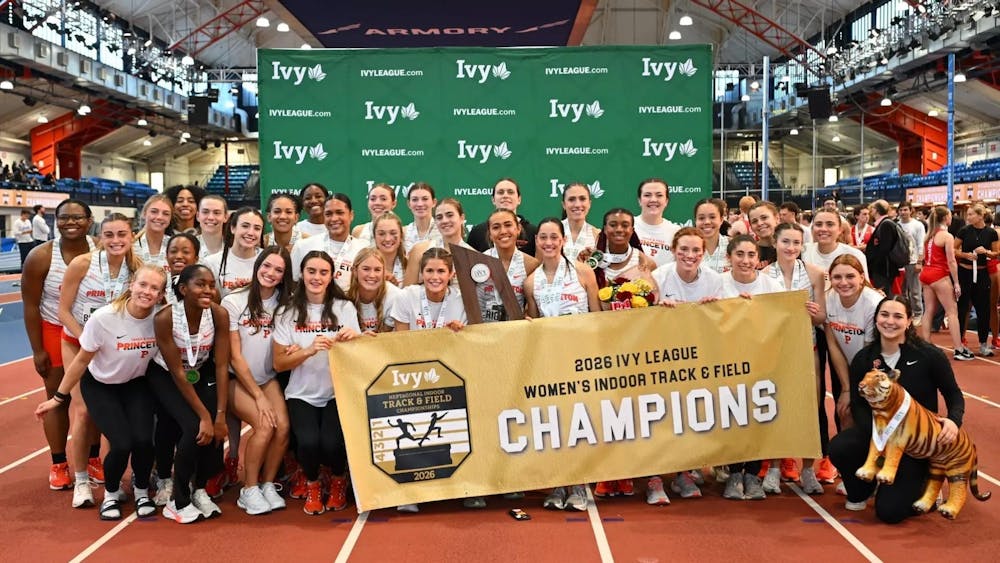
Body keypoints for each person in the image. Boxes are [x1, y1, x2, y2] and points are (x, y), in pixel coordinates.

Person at [35, 266, 167, 520]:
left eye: (154, 288)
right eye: (142, 285)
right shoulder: (105, 318)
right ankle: (111, 494)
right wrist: (58, 398)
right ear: (131, 284)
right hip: (101, 385)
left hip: (136, 385)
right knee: (121, 443)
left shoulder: (160, 318)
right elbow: (81, 361)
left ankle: (141, 491)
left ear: (161, 295)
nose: (147, 292)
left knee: (144, 441)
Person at [829, 296, 965, 524]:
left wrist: (953, 421)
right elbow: (859, 405)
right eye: (884, 315)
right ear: (876, 319)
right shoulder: (864, 359)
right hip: (878, 437)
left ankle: (926, 485)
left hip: (914, 445)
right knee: (840, 446)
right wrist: (879, 437)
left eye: (898, 316)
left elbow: (954, 394)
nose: (890, 321)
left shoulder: (929, 355)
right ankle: (863, 489)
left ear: (909, 321)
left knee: (889, 512)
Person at [59, 213, 142, 509]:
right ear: (99, 237)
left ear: (131, 236)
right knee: (83, 413)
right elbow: (63, 310)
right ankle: (81, 480)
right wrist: (87, 339)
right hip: (78, 343)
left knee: (113, 416)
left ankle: (112, 480)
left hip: (114, 349)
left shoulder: (137, 268)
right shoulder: (82, 264)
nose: (116, 240)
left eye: (122, 234)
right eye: (109, 235)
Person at [272, 251, 362, 515]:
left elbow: (358, 354)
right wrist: (308, 350)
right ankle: (312, 483)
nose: (317, 277)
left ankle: (338, 480)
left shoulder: (344, 308)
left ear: (332, 276)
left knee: (332, 443)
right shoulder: (287, 312)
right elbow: (279, 363)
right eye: (311, 271)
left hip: (337, 391)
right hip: (301, 393)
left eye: (323, 272)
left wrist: (354, 338)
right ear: (301, 274)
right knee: (309, 443)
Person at [524, 218, 601, 511]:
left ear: (563, 240)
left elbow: (597, 315)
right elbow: (533, 321)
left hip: (581, 358)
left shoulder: (583, 272)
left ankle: (579, 483)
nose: (548, 242)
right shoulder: (530, 282)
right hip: (550, 359)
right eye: (543, 237)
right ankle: (558, 483)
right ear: (537, 241)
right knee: (554, 421)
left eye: (553, 237)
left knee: (579, 420)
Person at [22, 199, 96, 492]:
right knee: (57, 398)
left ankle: (93, 458)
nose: (71, 223)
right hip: (54, 330)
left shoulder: (101, 250)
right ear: (56, 221)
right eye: (64, 217)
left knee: (94, 397)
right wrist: (37, 349)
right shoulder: (41, 257)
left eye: (78, 217)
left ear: (89, 221)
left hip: (92, 332)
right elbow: (30, 306)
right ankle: (59, 463)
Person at [149, 264, 230, 524]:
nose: (208, 290)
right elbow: (177, 372)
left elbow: (221, 365)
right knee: (195, 427)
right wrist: (204, 416)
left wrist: (219, 415)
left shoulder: (218, 314)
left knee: (215, 429)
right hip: (167, 376)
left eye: (211, 285)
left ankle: (200, 489)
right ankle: (178, 501)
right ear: (183, 289)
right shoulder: (165, 318)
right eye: (200, 285)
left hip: (199, 371)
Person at [651, 227, 725, 502]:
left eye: (696, 250)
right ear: (673, 250)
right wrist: (658, 307)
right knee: (659, 418)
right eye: (683, 249)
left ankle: (683, 474)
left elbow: (727, 318)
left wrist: (715, 308)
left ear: (704, 253)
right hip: (662, 358)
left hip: (697, 359)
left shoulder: (714, 280)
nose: (689, 255)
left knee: (687, 417)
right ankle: (655, 478)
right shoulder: (659, 276)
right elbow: (642, 318)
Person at [392, 247, 467, 513]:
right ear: (421, 273)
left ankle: (455, 486)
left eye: (441, 271)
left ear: (451, 274)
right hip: (413, 374)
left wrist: (457, 335)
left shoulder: (461, 300)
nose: (435, 277)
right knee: (412, 432)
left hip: (449, 373)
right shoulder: (406, 297)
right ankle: (410, 490)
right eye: (429, 271)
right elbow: (400, 343)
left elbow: (466, 346)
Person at [222, 247, 294, 515]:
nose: (271, 273)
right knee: (264, 426)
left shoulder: (286, 304)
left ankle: (267, 484)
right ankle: (248, 489)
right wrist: (258, 396)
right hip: (236, 379)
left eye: (278, 270)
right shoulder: (233, 302)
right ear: (257, 266)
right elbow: (235, 356)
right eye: (267, 266)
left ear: (284, 276)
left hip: (267, 378)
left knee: (283, 427)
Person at [763, 222, 830, 492]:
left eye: (796, 243)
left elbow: (822, 316)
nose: (791, 248)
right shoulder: (764, 275)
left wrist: (813, 313)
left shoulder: (815, 273)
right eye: (786, 242)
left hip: (807, 348)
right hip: (776, 352)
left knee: (810, 410)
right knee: (777, 408)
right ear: (775, 243)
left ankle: (808, 469)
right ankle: (774, 467)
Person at [719, 235, 785, 500]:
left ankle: (754, 474)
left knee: (759, 415)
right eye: (740, 254)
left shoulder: (772, 285)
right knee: (734, 417)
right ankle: (734, 473)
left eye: (751, 255)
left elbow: (784, 318)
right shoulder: (718, 283)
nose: (745, 260)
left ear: (759, 259)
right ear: (729, 257)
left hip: (762, 361)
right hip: (728, 361)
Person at [152, 234, 202, 506]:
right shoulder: (158, 286)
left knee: (191, 425)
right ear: (166, 255)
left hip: (195, 367)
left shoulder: (204, 286)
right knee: (166, 423)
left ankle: (192, 477)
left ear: (196, 257)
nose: (179, 256)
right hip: (162, 368)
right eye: (173, 251)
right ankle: (164, 477)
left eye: (186, 251)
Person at [824, 254, 884, 455]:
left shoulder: (873, 304)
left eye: (850, 276)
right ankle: (850, 465)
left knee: (869, 420)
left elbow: (867, 354)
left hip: (874, 369)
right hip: (849, 366)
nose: (843, 282)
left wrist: (854, 391)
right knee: (845, 412)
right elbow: (833, 344)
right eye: (837, 277)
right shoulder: (829, 298)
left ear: (861, 277)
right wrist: (847, 387)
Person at [917, 206, 971, 359]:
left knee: (928, 310)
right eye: (950, 215)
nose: (951, 217)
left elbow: (923, 258)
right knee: (952, 312)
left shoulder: (928, 235)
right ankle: (958, 348)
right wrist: (956, 282)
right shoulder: (946, 236)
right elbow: (951, 261)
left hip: (926, 274)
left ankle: (926, 345)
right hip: (939, 275)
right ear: (946, 218)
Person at [290, 194, 367, 292]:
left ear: (351, 215)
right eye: (328, 214)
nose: (334, 218)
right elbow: (293, 283)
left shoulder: (363, 249)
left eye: (339, 213)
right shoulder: (303, 246)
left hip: (350, 301)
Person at [478, 208, 540, 320]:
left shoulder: (531, 264)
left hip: (516, 329)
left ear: (518, 229)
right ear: (490, 234)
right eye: (496, 227)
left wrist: (527, 315)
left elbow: (534, 304)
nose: (503, 231)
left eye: (508, 225)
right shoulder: (479, 262)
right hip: (484, 329)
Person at [954, 203, 999, 356]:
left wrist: (986, 252)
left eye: (971, 214)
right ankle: (960, 343)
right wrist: (965, 255)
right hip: (964, 273)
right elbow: (953, 249)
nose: (968, 217)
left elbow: (996, 253)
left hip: (982, 273)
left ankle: (983, 344)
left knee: (984, 309)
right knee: (962, 308)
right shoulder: (964, 230)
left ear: (980, 216)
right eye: (968, 214)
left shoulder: (991, 233)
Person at [404, 199, 474, 286]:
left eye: (450, 215)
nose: (444, 221)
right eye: (439, 217)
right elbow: (407, 291)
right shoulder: (419, 251)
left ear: (462, 218)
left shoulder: (473, 256)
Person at [202, 207, 264, 300]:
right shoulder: (211, 263)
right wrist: (232, 295)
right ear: (233, 228)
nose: (251, 232)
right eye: (245, 226)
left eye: (257, 228)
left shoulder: (268, 260)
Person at [466, 178, 537, 255]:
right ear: (493, 200)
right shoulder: (477, 232)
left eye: (510, 192)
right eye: (500, 192)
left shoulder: (533, 232)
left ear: (519, 199)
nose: (505, 195)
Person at [347, 247, 401, 333]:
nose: (372, 275)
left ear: (383, 273)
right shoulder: (344, 298)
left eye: (377, 270)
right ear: (355, 271)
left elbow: (387, 336)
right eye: (366, 269)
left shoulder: (396, 296)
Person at [633, 178, 680, 267]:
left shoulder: (676, 232)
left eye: (659, 195)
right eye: (647, 195)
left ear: (666, 201)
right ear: (639, 200)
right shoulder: (628, 226)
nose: (653, 199)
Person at [897, 202, 926, 322]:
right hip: (899, 262)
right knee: (901, 291)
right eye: (901, 210)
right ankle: (905, 312)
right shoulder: (896, 225)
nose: (903, 212)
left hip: (913, 261)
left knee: (915, 291)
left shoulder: (918, 225)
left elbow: (921, 244)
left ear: (910, 211)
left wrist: (919, 262)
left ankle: (918, 313)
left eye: (905, 210)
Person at [864, 200, 901, 295]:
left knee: (883, 294)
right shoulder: (883, 223)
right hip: (882, 268)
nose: (870, 211)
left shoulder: (886, 224)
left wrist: (874, 264)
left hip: (883, 269)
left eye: (872, 209)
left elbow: (885, 248)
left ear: (876, 210)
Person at [560, 183, 600, 262]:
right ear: (564, 204)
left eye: (582, 199)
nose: (577, 204)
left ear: (589, 204)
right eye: (571, 199)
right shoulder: (552, 231)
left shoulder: (597, 235)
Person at [133, 195, 174, 269]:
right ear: (144, 214)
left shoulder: (175, 246)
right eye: (154, 212)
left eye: (166, 214)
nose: (159, 217)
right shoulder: (132, 247)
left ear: (170, 218)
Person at [693, 198, 730, 274]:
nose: (707, 222)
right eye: (701, 218)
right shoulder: (688, 248)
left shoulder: (732, 245)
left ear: (721, 219)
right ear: (695, 221)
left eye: (712, 217)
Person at [372, 212, 407, 286]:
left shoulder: (410, 265)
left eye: (393, 233)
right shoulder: (365, 265)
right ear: (374, 237)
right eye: (381, 234)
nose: (387, 239)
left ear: (401, 236)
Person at [402, 182, 439, 253]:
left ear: (434, 202)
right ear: (409, 204)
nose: (420, 204)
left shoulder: (443, 230)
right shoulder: (403, 233)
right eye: (415, 199)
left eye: (425, 199)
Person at [747, 201, 780, 268]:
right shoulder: (749, 251)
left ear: (777, 218)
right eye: (754, 221)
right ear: (751, 226)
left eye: (764, 218)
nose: (759, 223)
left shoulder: (790, 248)